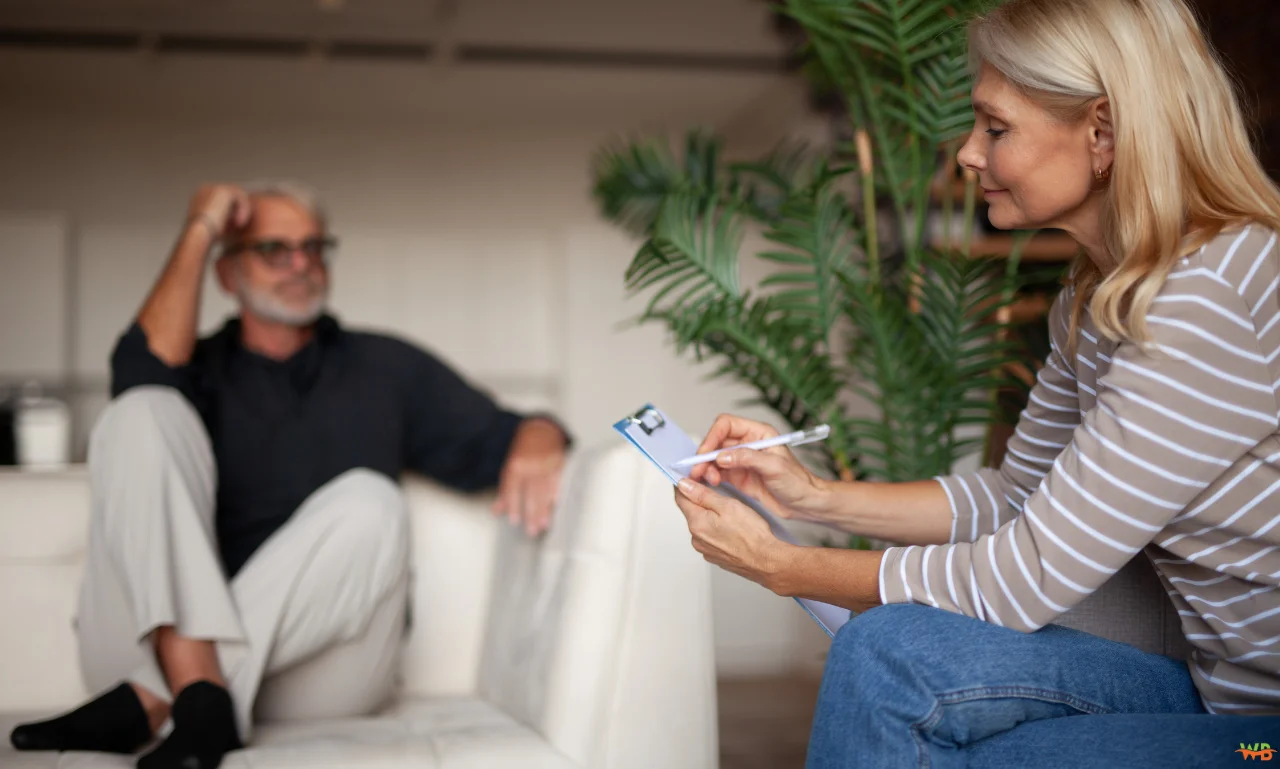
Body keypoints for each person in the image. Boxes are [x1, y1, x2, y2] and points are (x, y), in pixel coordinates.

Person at [672, 0, 1280, 765]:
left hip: (1261, 730)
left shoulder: (1205, 295)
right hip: (1218, 690)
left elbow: (1023, 575)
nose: (966, 152)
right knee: (889, 651)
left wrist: (782, 564)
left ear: (1103, 133)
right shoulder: (1094, 303)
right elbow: (1011, 498)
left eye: (996, 128)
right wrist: (813, 495)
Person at [9, 181, 571, 769]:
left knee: (371, 501)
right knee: (140, 409)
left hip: (321, 675)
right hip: (141, 638)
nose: (300, 264)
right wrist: (202, 222)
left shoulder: (385, 367)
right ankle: (188, 688)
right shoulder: (192, 369)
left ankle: (157, 697)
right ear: (225, 275)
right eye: (274, 249)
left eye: (313, 247)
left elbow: (511, 432)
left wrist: (538, 434)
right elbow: (138, 371)